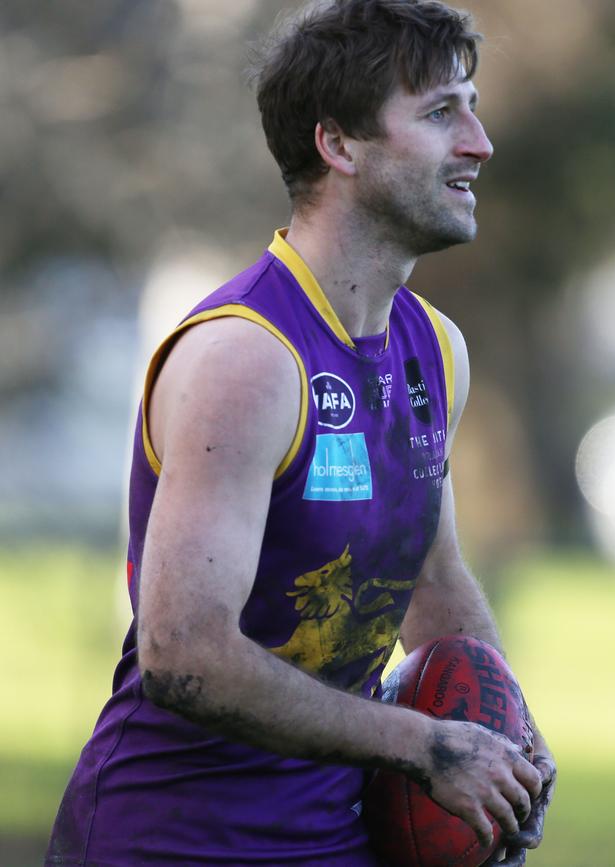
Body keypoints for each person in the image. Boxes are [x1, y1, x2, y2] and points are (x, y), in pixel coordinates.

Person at [46, 1, 556, 865]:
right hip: (168, 843)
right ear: (338, 145)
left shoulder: (433, 348)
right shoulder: (247, 359)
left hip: (338, 839)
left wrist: (507, 743)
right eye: (441, 113)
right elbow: (185, 654)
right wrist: (425, 746)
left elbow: (436, 584)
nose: (480, 141)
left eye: (471, 107)